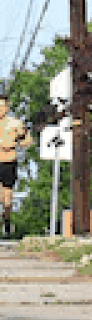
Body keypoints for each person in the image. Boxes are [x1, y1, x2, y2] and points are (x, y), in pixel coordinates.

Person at [0, 94, 29, 237]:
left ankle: (6, 220)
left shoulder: (15, 123)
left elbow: (27, 140)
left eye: (2, 106)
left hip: (8, 161)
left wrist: (15, 144)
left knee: (7, 196)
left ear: (7, 107)